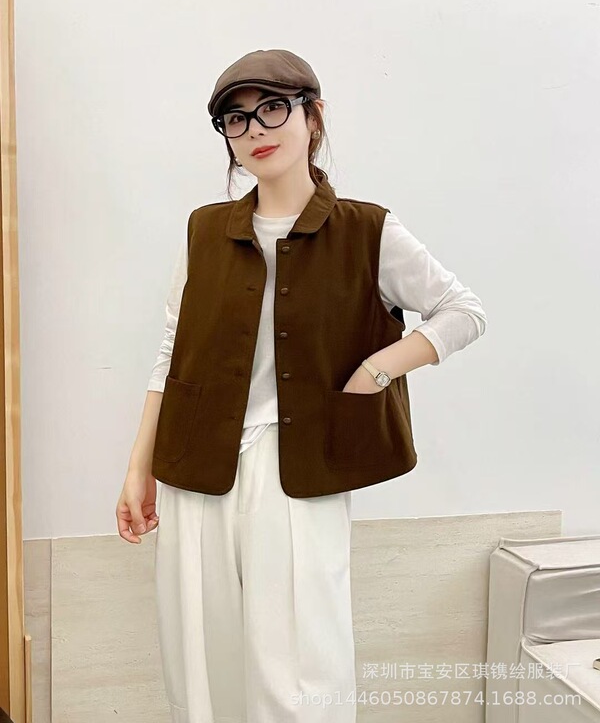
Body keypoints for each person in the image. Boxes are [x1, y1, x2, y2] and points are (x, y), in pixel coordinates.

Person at [116, 49, 488, 723]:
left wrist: (379, 368)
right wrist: (138, 467)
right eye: (235, 119)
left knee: (299, 667)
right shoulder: (204, 230)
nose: (255, 129)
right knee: (201, 661)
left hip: (296, 471)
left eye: (272, 109)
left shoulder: (367, 229)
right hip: (194, 463)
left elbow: (463, 311)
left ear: (313, 116)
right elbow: (171, 352)